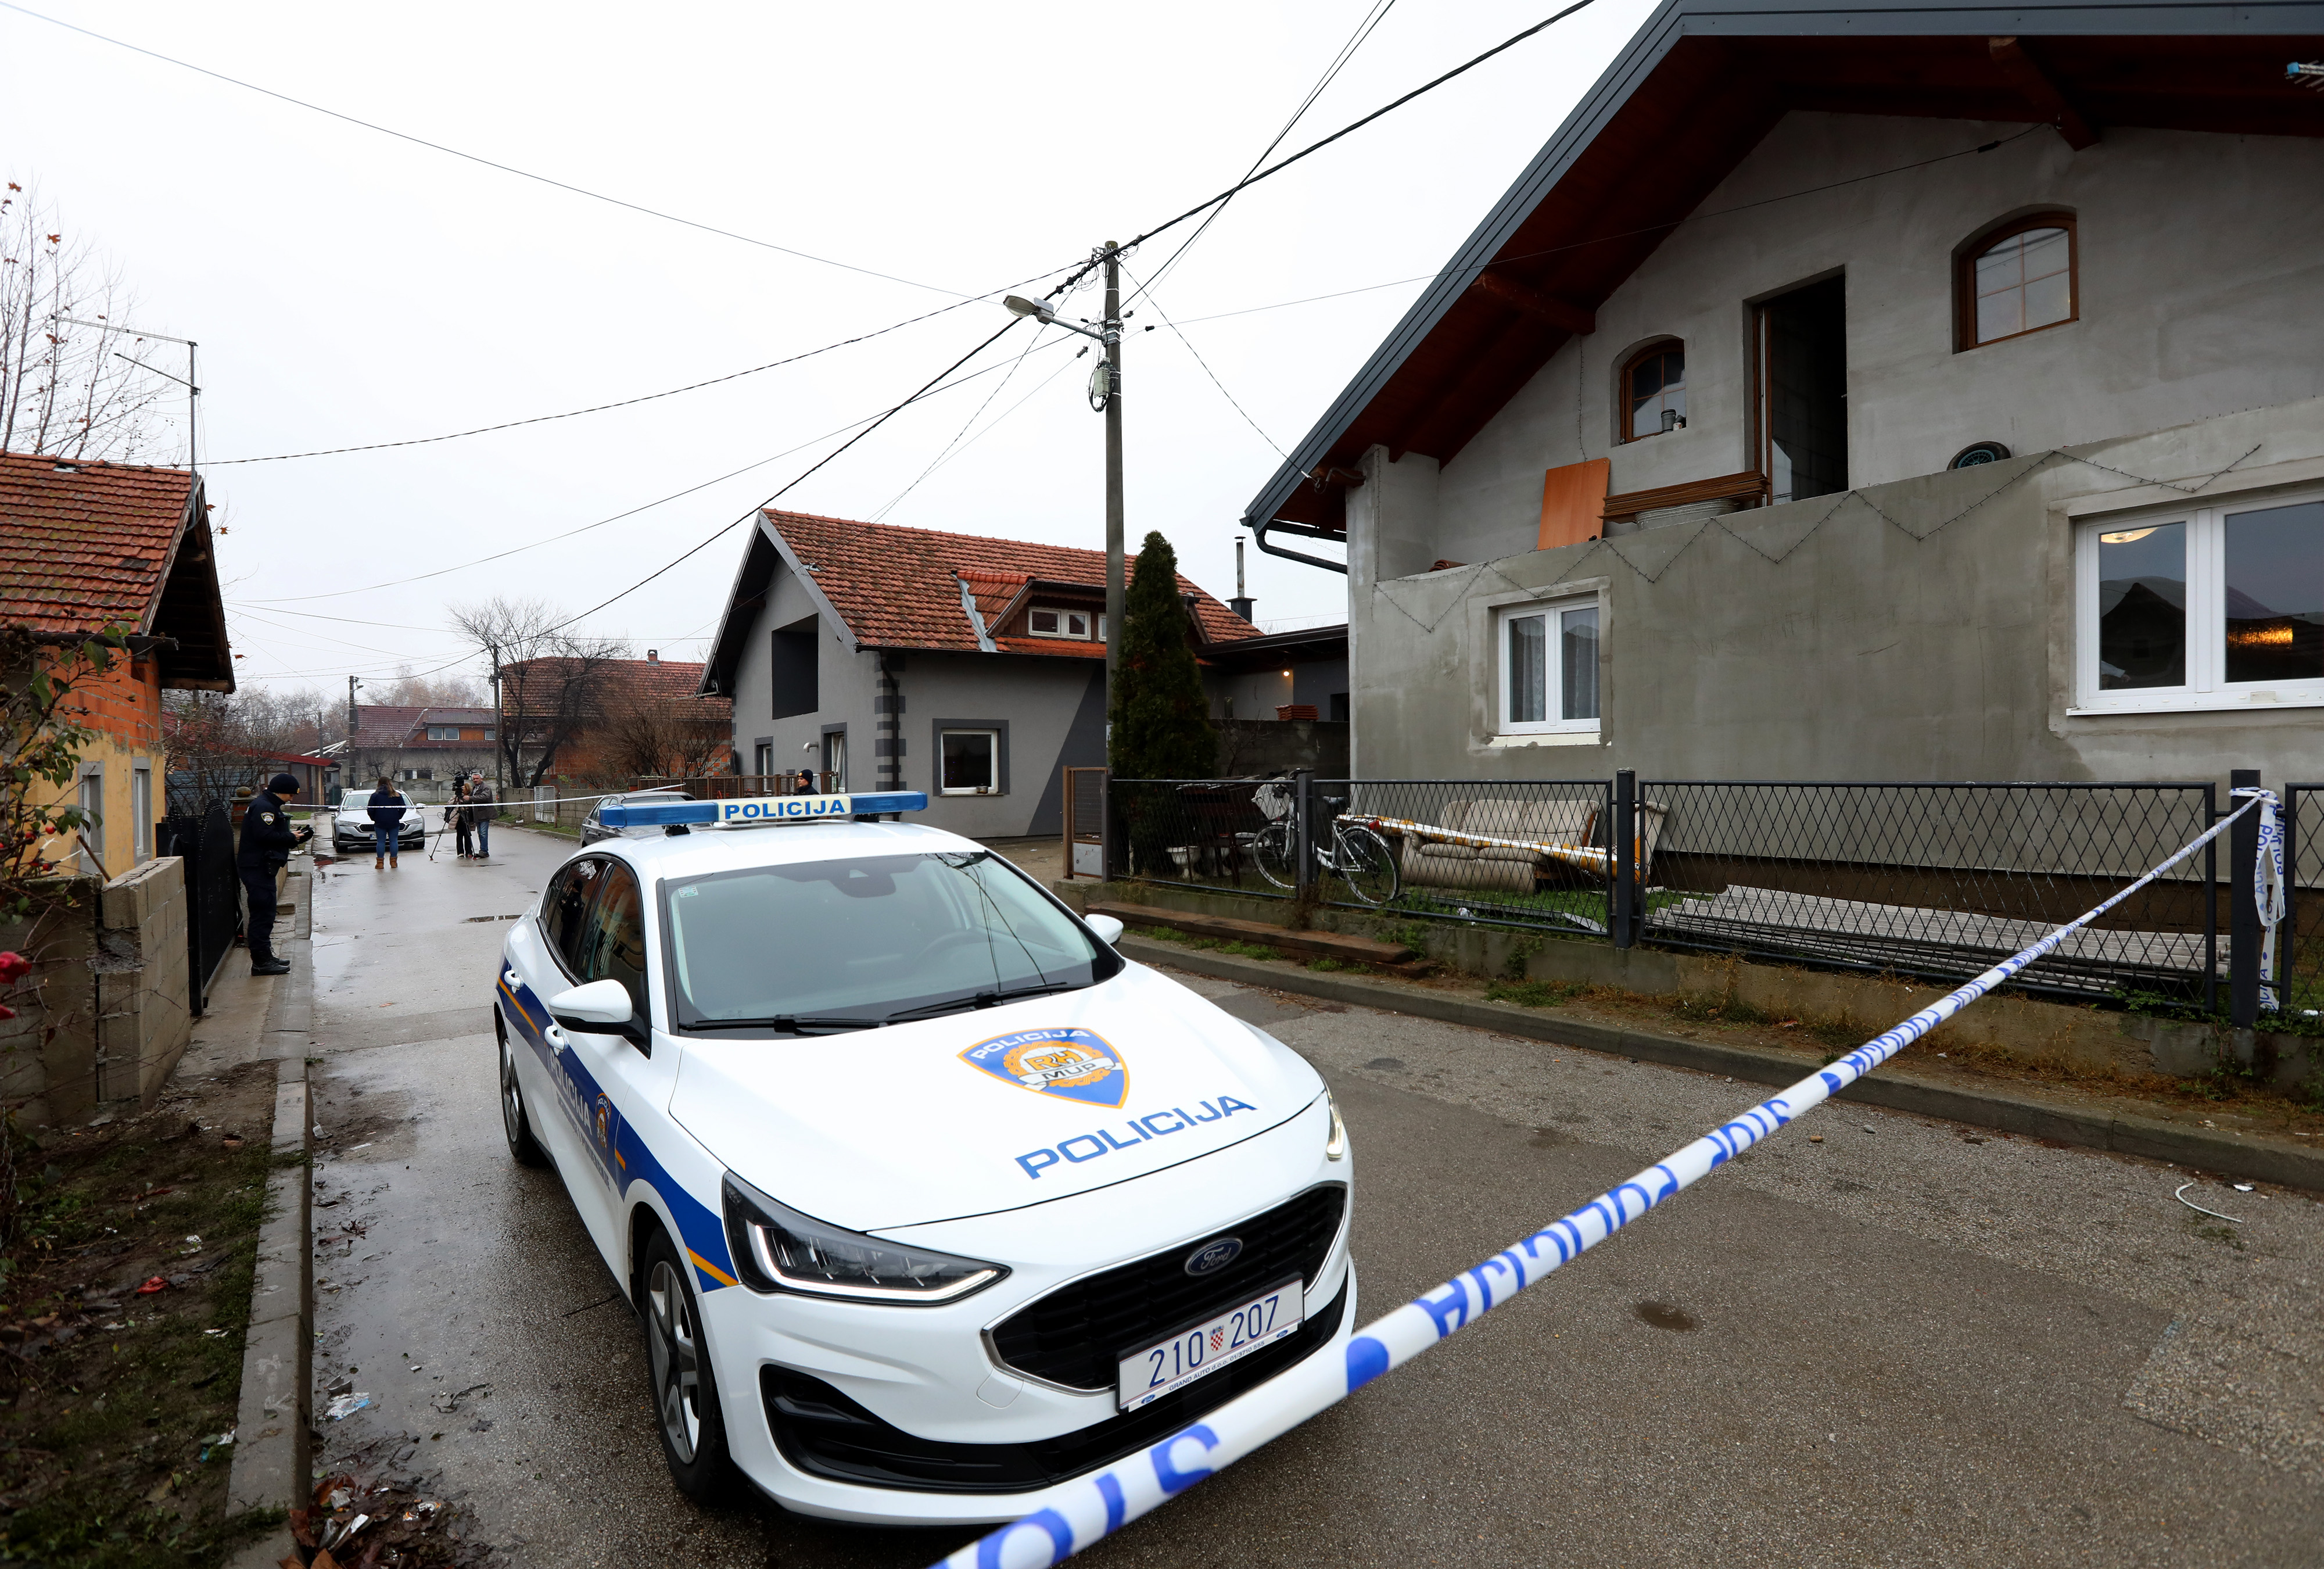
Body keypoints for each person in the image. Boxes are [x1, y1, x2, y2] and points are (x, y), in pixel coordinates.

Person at [239, 772, 313, 977]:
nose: (292, 798)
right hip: (257, 867)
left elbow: (269, 835)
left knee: (267, 912)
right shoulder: (264, 808)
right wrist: (290, 836)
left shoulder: (267, 805)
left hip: (261, 867)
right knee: (262, 914)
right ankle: (261, 962)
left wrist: (293, 838)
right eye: (291, 794)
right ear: (281, 791)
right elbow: (264, 836)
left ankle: (265, 957)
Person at [368, 774, 410, 869]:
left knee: (381, 842)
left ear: (379, 784)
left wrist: (374, 818)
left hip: (380, 822)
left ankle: (380, 863)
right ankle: (394, 863)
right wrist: (398, 817)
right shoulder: (397, 795)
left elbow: (370, 809)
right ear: (390, 783)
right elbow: (403, 808)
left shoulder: (375, 796)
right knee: (394, 841)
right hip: (394, 821)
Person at [468, 773, 496, 859]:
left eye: (477, 778)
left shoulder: (486, 787)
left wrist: (470, 798)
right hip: (477, 814)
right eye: (474, 779)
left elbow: (485, 797)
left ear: (481, 779)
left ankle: (484, 851)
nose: (476, 780)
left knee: (483, 833)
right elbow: (471, 799)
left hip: (484, 814)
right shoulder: (475, 788)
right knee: (480, 833)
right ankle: (484, 851)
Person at [450, 777, 474, 860]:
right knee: (459, 835)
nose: (462, 790)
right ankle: (460, 852)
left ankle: (469, 852)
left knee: (467, 834)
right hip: (458, 818)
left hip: (467, 817)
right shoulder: (456, 796)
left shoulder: (470, 797)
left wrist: (465, 800)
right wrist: (457, 800)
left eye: (463, 788)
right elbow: (449, 804)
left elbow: (471, 806)